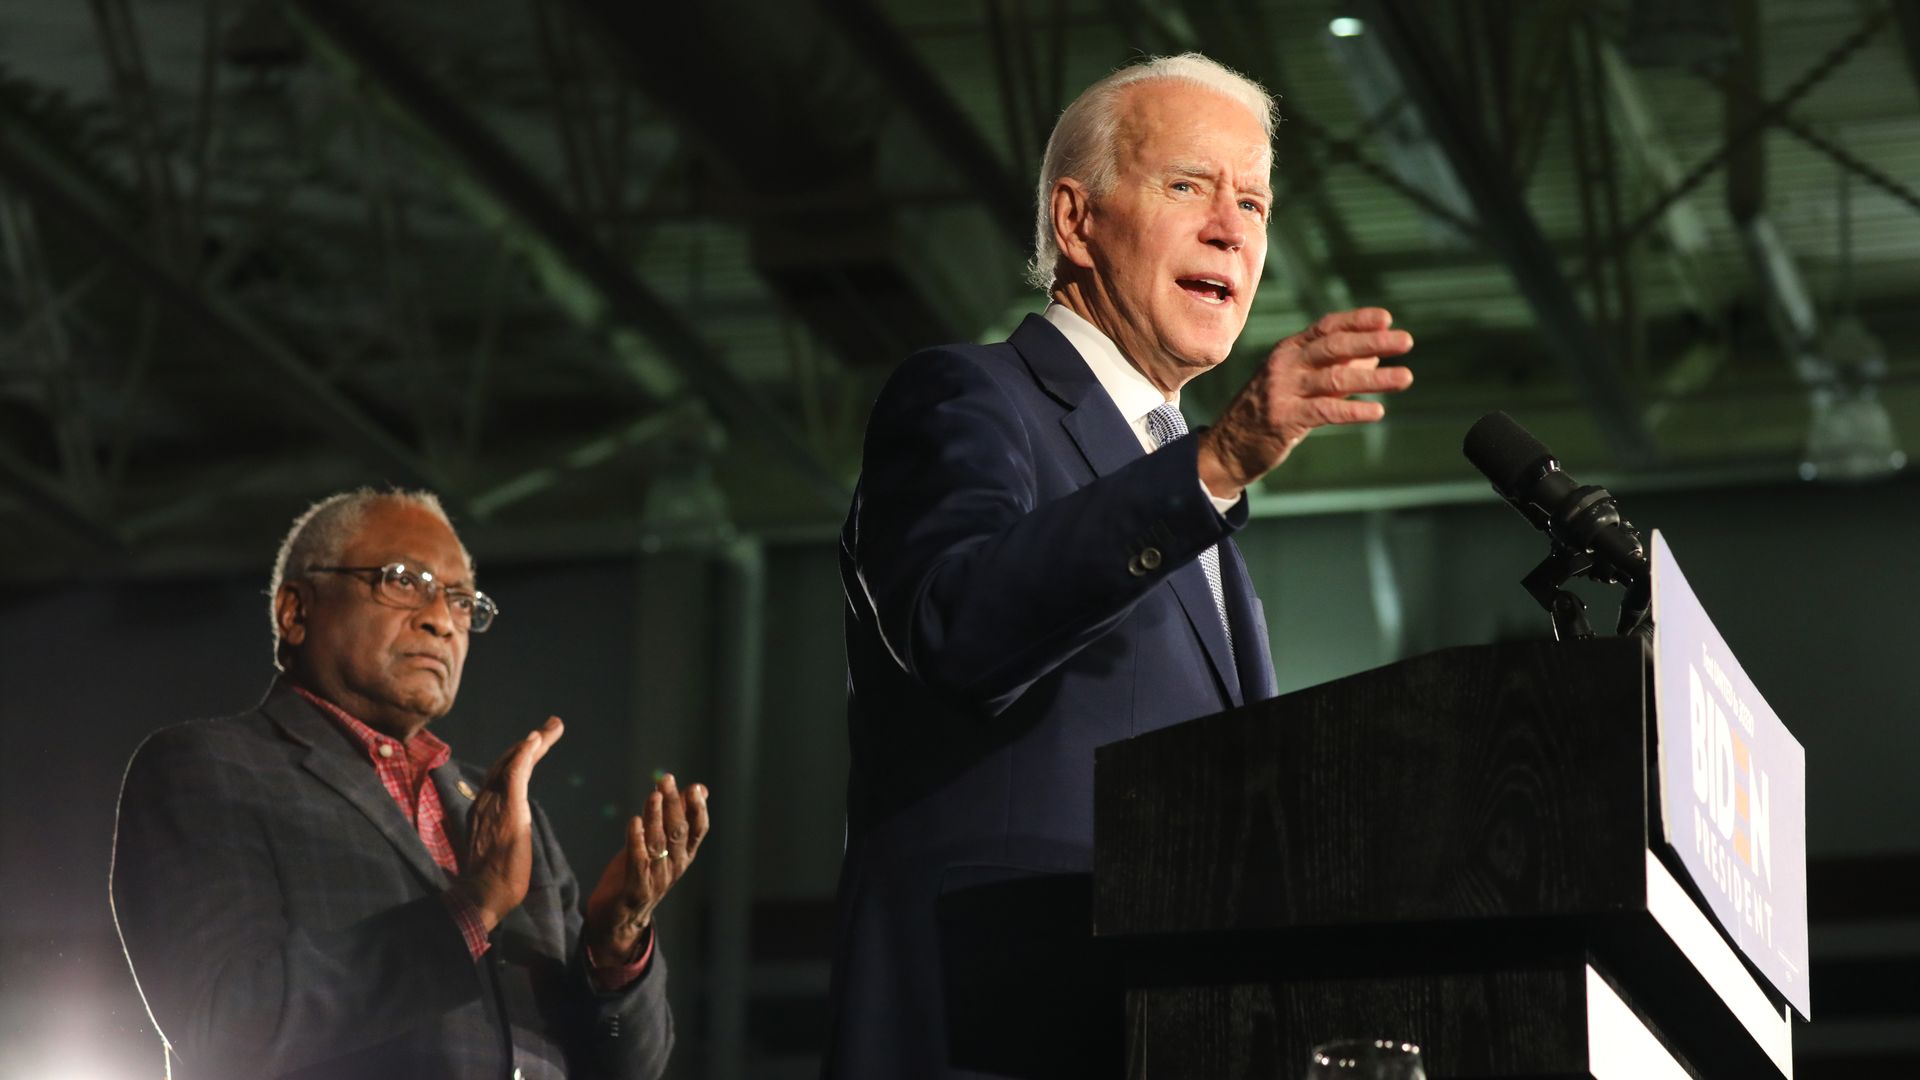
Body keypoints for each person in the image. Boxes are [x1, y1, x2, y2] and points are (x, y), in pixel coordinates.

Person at [824, 53, 1416, 1078]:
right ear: (1076, 220)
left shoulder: (1194, 499)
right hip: (989, 1028)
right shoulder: (969, 398)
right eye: (1190, 185)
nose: (1233, 227)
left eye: (1254, 202)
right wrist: (1216, 464)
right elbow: (955, 628)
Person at [111, 488, 708, 1080]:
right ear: (295, 611)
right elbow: (230, 1024)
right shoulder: (209, 769)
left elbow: (626, 1068)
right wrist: (473, 909)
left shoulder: (509, 815)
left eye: (460, 600)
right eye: (401, 580)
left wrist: (616, 947)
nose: (441, 621)